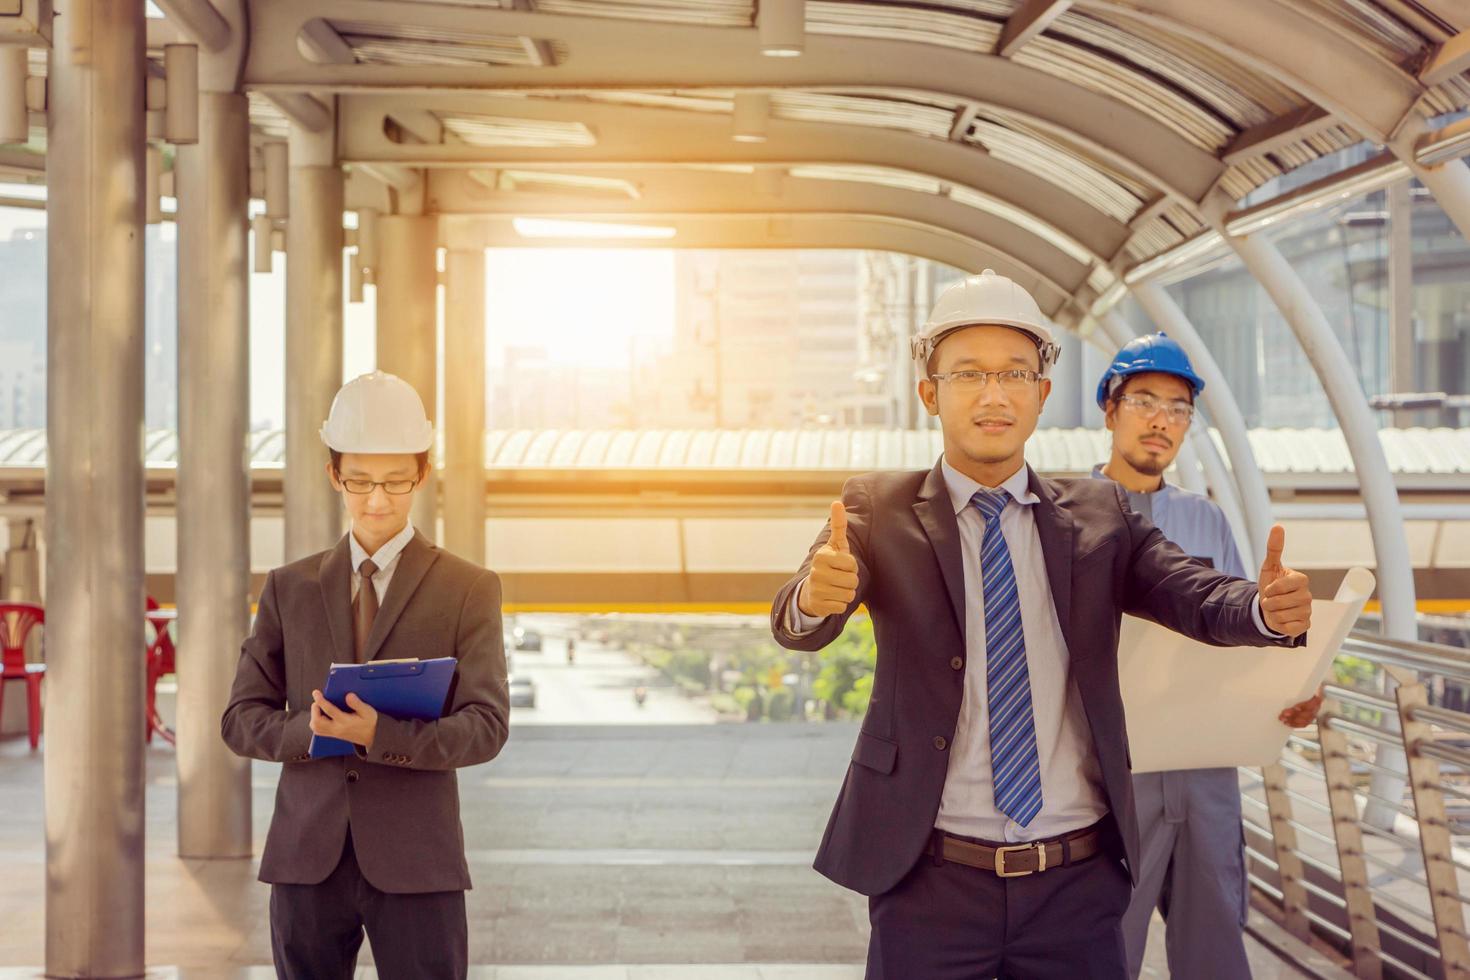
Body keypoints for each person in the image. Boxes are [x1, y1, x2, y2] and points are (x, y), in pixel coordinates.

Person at [770, 269, 1313, 979]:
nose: (994, 394)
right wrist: (817, 593)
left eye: (1015, 374)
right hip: (930, 884)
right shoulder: (880, 509)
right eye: (969, 374)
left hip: (1075, 888)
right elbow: (795, 620)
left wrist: (1260, 610)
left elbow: (1193, 593)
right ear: (930, 391)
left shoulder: (1099, 514)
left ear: (1042, 394)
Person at [221, 371, 510, 980]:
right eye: (359, 481)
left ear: (422, 474)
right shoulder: (288, 588)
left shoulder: (468, 589)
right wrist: (316, 730)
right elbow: (241, 719)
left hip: (417, 862)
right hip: (306, 861)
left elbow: (486, 727)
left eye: (396, 481)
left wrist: (381, 734)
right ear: (334, 475)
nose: (377, 500)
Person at [1094, 334, 1323, 979]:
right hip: (1114, 777)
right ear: (1109, 410)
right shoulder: (1068, 514)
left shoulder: (1208, 521)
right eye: (1143, 400)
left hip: (1207, 772)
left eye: (1178, 407)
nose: (1162, 419)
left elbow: (1241, 641)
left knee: (1215, 947)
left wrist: (1292, 685)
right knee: (1107, 947)